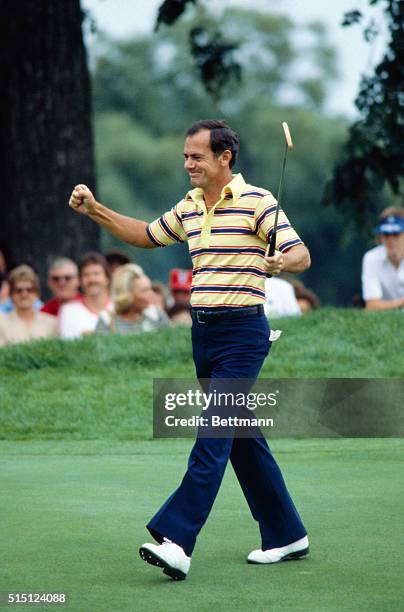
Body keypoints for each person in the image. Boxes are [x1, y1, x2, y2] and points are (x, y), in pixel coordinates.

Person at [69, 119, 311, 580]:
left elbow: (301, 254)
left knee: (213, 435)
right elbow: (146, 234)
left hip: (243, 335)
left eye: (196, 156)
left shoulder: (259, 201)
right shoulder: (191, 205)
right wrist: (95, 210)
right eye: (185, 156)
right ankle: (286, 533)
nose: (188, 164)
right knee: (240, 438)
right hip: (204, 337)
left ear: (225, 158)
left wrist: (282, 261)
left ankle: (178, 540)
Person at [96, 263, 169, 334]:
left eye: (150, 288)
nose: (152, 294)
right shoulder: (107, 321)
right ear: (127, 295)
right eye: (145, 290)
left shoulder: (156, 315)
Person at [59, 252, 112, 339]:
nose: (92, 279)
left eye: (96, 274)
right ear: (79, 281)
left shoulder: (119, 308)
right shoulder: (68, 311)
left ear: (107, 278)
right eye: (86, 275)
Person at [0, 265, 57, 347]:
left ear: (37, 293)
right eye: (18, 290)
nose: (24, 294)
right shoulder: (1, 323)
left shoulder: (52, 322)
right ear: (11, 294)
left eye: (29, 290)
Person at [361, 207, 404, 311]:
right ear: (380, 237)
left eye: (396, 234)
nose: (391, 240)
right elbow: (372, 306)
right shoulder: (371, 258)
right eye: (386, 234)